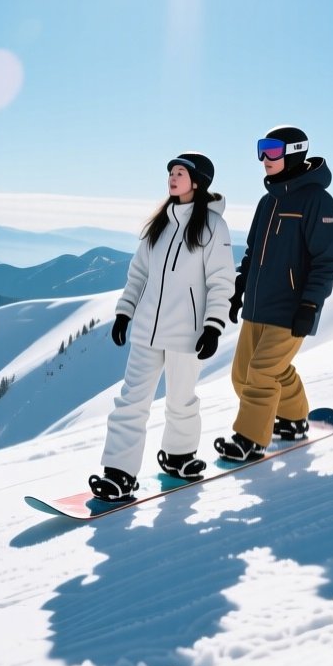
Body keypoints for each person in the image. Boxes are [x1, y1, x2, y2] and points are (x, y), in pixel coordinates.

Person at [90, 151, 237, 502]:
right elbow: (139, 273)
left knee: (181, 400)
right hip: (146, 332)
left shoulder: (213, 226)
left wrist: (214, 325)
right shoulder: (160, 223)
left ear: (197, 181)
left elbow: (222, 281)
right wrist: (125, 312)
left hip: (187, 333)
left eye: (180, 173)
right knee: (131, 401)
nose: (172, 177)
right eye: (171, 172)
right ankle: (119, 473)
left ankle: (179, 457)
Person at [213, 125, 333, 463]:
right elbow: (253, 251)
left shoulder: (317, 201)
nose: (264, 158)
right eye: (262, 149)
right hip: (258, 306)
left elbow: (327, 261)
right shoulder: (268, 201)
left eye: (272, 150)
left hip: (290, 308)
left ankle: (250, 439)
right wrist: (240, 286)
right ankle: (293, 419)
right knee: (244, 374)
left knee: (261, 373)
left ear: (295, 152)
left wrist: (310, 303)